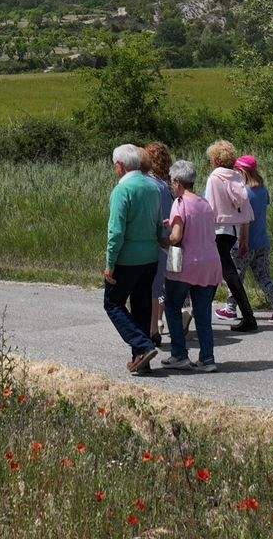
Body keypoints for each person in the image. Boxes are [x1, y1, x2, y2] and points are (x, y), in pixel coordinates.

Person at [102, 143, 163, 375]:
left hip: (127, 259)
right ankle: (141, 358)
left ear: (120, 166)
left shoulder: (122, 190)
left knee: (113, 303)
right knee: (142, 305)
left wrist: (110, 264)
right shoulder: (153, 187)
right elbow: (158, 224)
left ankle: (143, 346)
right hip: (150, 257)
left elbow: (116, 232)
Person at [160, 159, 221, 372]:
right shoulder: (204, 203)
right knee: (202, 312)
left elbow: (176, 237)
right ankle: (207, 358)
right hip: (210, 264)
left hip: (186, 265)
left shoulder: (179, 203)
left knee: (172, 306)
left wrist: (163, 240)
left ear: (177, 182)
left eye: (171, 180)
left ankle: (179, 354)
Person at [204, 140, 258, 333]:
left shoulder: (214, 177)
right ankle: (201, 315)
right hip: (233, 231)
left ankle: (249, 318)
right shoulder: (237, 177)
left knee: (227, 274)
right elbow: (244, 208)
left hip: (217, 230)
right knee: (220, 272)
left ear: (216, 159)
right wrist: (243, 238)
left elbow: (209, 207)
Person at [232, 154, 273, 323]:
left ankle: (229, 307)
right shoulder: (263, 191)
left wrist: (242, 242)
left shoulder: (244, 193)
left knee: (236, 275)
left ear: (242, 171)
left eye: (236, 170)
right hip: (262, 241)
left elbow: (245, 221)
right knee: (264, 276)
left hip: (246, 241)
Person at [141, 142, 176, 347]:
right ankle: (159, 324)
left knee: (150, 289)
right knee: (160, 286)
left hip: (154, 241)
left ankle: (152, 328)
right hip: (168, 240)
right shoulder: (169, 185)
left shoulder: (151, 185)